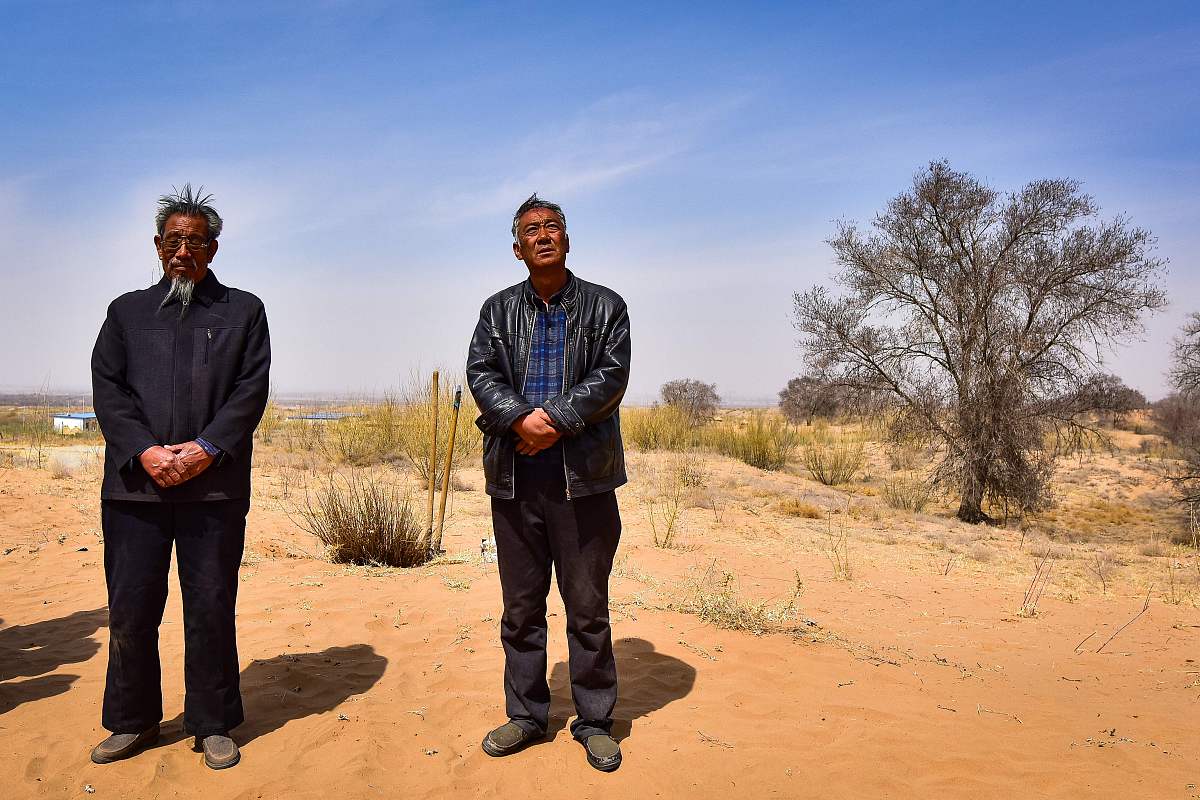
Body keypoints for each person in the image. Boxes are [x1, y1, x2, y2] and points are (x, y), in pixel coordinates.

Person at [89, 185, 270, 770]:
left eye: (196, 241)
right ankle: (131, 721)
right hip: (135, 488)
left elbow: (250, 391)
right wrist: (144, 450)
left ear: (213, 249)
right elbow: (107, 389)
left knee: (211, 604)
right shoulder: (126, 312)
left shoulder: (243, 311)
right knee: (132, 607)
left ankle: (212, 722)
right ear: (158, 246)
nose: (183, 251)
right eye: (174, 241)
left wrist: (205, 449)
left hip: (212, 488)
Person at [467, 193, 631, 772]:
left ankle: (594, 720)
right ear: (517, 248)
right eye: (532, 230)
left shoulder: (606, 307)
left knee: (587, 607)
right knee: (521, 607)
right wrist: (519, 420)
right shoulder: (496, 311)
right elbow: (480, 372)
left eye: (553, 227)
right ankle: (527, 715)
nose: (543, 235)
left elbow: (610, 377)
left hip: (582, 480)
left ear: (567, 239)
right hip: (515, 478)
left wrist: (553, 423)